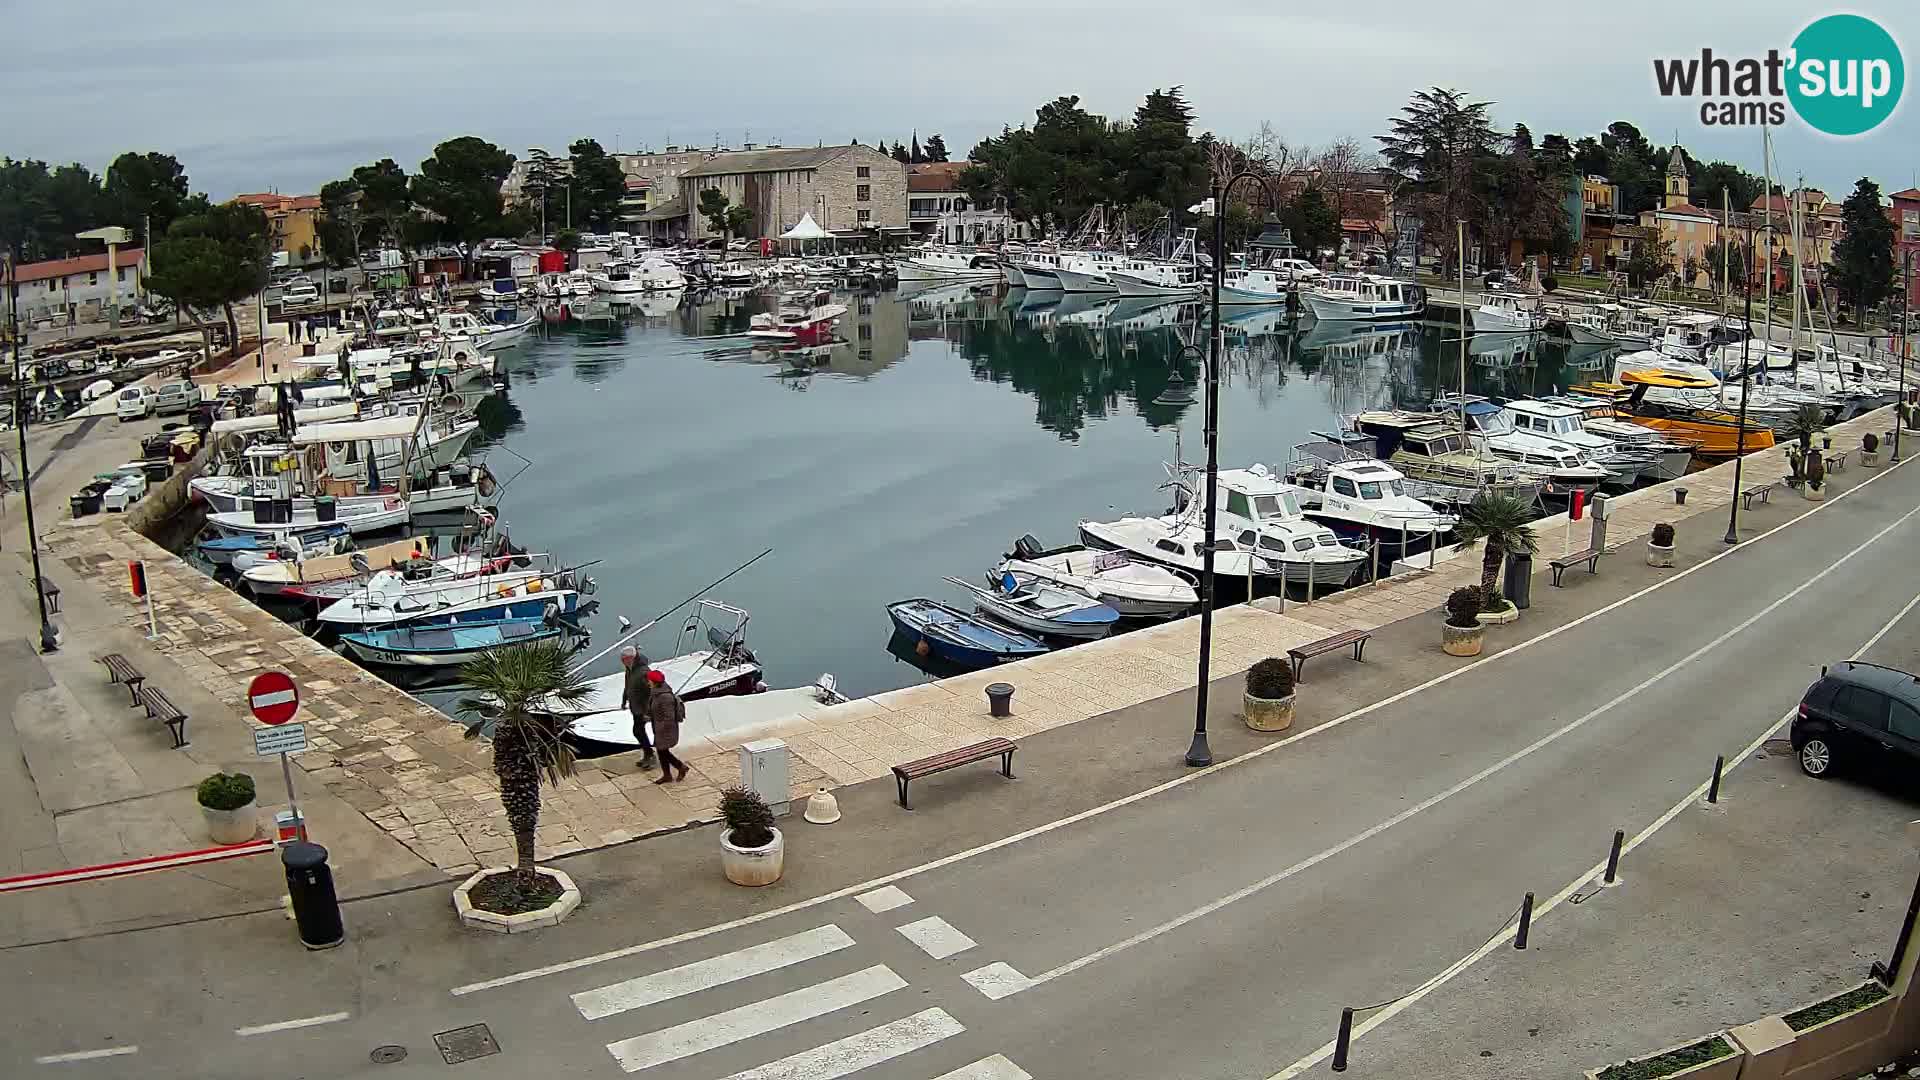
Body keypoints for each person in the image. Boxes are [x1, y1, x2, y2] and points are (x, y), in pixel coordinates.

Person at [616, 647, 656, 768]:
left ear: (631, 658)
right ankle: (648, 754)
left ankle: (651, 755)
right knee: (639, 731)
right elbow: (627, 686)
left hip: (643, 708)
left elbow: (651, 691)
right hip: (636, 706)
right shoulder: (630, 669)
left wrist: (648, 712)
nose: (623, 662)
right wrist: (624, 700)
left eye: (625, 659)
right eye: (622, 660)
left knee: (638, 731)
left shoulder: (643, 672)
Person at [646, 669, 688, 784]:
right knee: (662, 751)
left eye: (649, 680)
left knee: (662, 751)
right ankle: (668, 774)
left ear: (654, 681)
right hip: (660, 728)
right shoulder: (656, 692)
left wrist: (660, 729)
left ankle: (680, 767)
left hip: (665, 730)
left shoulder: (664, 697)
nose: (647, 682)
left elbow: (669, 717)